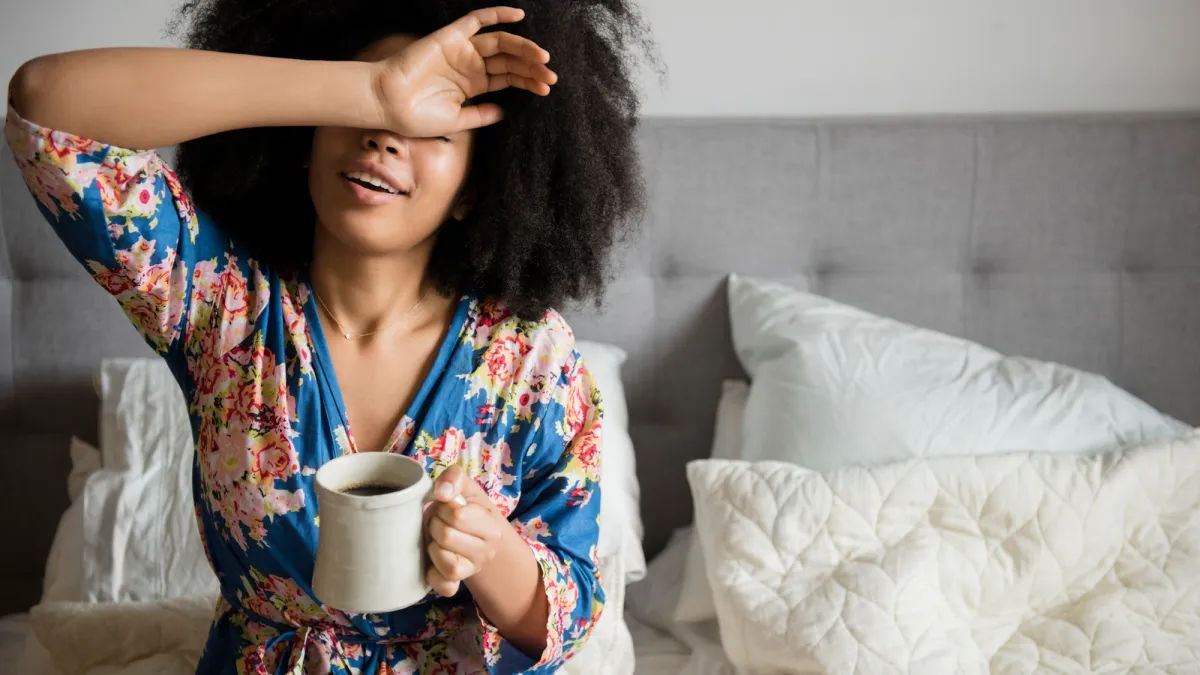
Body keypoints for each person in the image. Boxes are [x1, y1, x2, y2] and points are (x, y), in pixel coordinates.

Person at [5, 0, 648, 671]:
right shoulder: (218, 301)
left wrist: (490, 552)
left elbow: (567, 615)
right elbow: (45, 103)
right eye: (369, 114)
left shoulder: (532, 359)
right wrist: (368, 89)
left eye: (435, 124)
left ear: (474, 191)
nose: (387, 135)